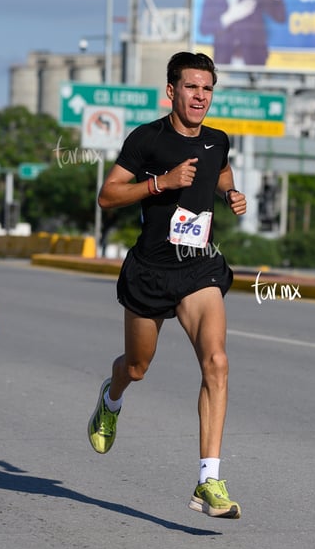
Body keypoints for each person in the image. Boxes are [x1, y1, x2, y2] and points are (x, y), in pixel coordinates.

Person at [88, 52, 246, 519]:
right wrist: (161, 183)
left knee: (217, 362)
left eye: (207, 89)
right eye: (192, 87)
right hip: (151, 271)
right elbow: (108, 195)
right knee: (137, 366)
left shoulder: (218, 140)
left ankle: (208, 480)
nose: (200, 96)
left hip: (199, 268)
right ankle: (111, 397)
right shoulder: (147, 140)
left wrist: (229, 193)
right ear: (172, 91)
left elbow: (220, 170)